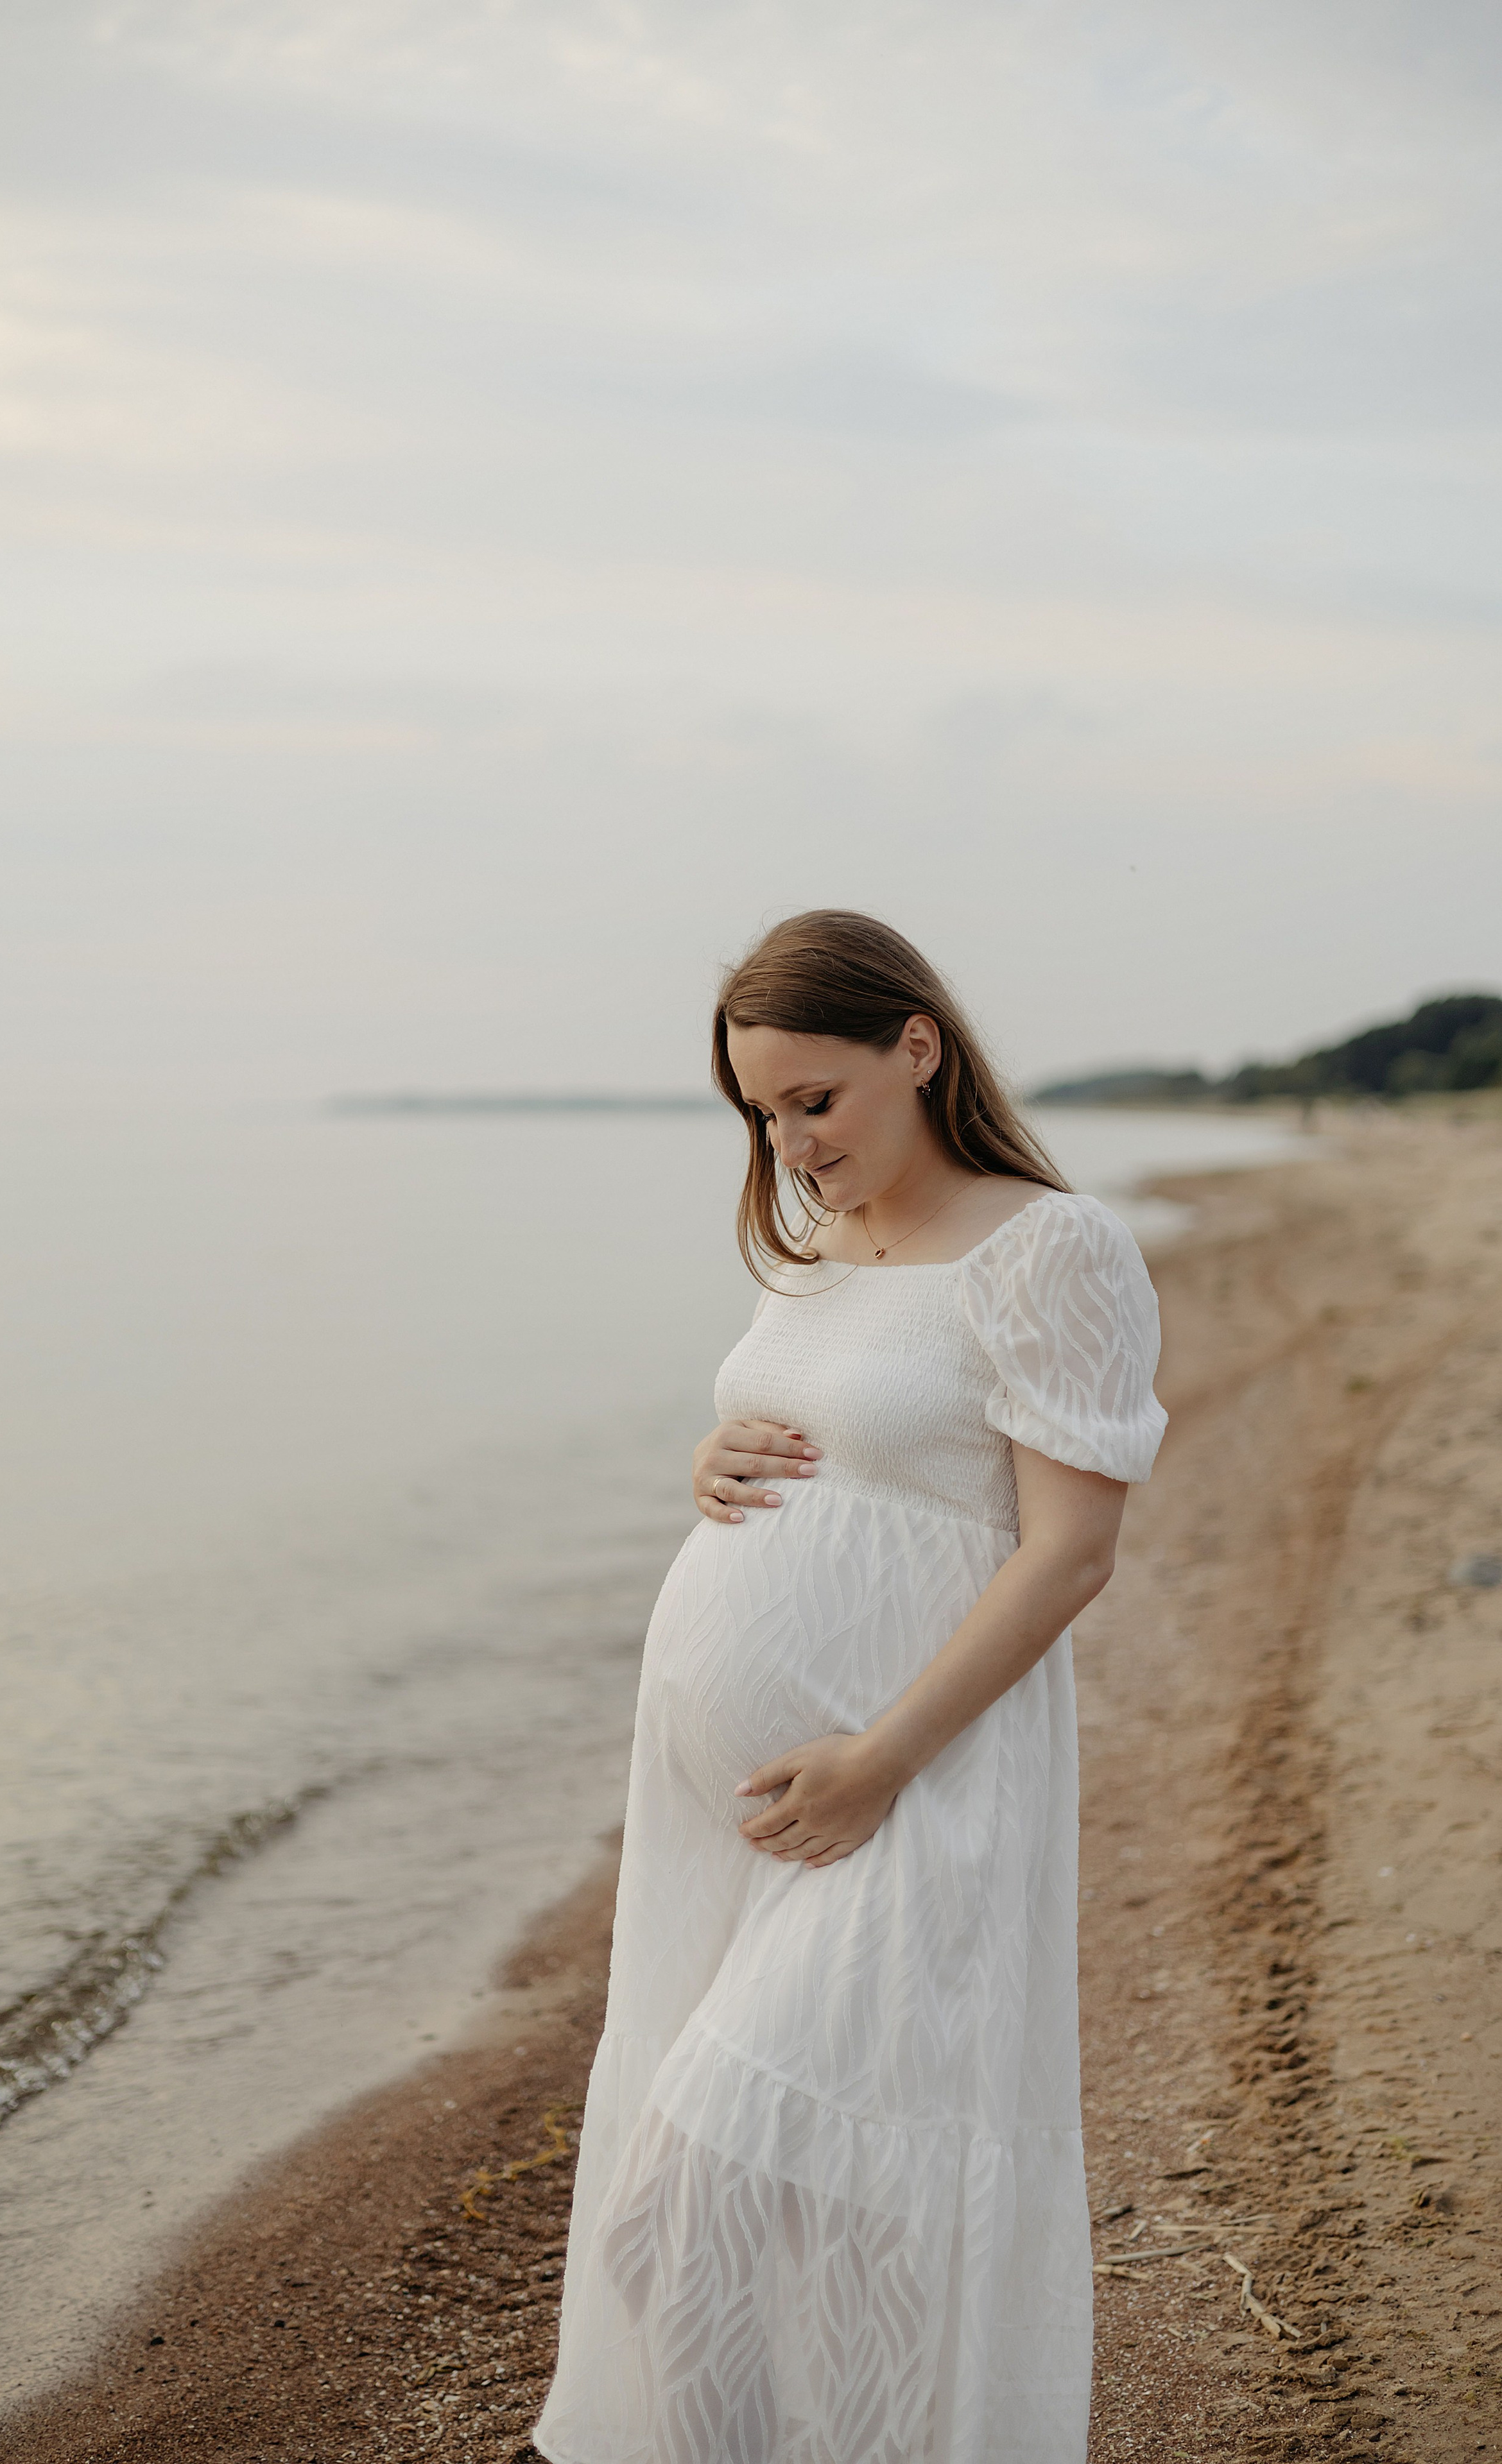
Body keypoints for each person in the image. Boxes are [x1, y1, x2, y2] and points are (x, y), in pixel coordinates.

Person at [529, 910, 1166, 2464]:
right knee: (687, 2226)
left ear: (917, 1049)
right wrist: (708, 1457)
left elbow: (1067, 1554)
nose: (793, 1143)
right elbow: (823, 1443)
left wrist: (878, 1761)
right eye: (762, 1113)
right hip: (736, 1820)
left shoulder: (1045, 1249)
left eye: (816, 1099)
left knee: (711, 2188)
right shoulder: (823, 1250)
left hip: (908, 1799)